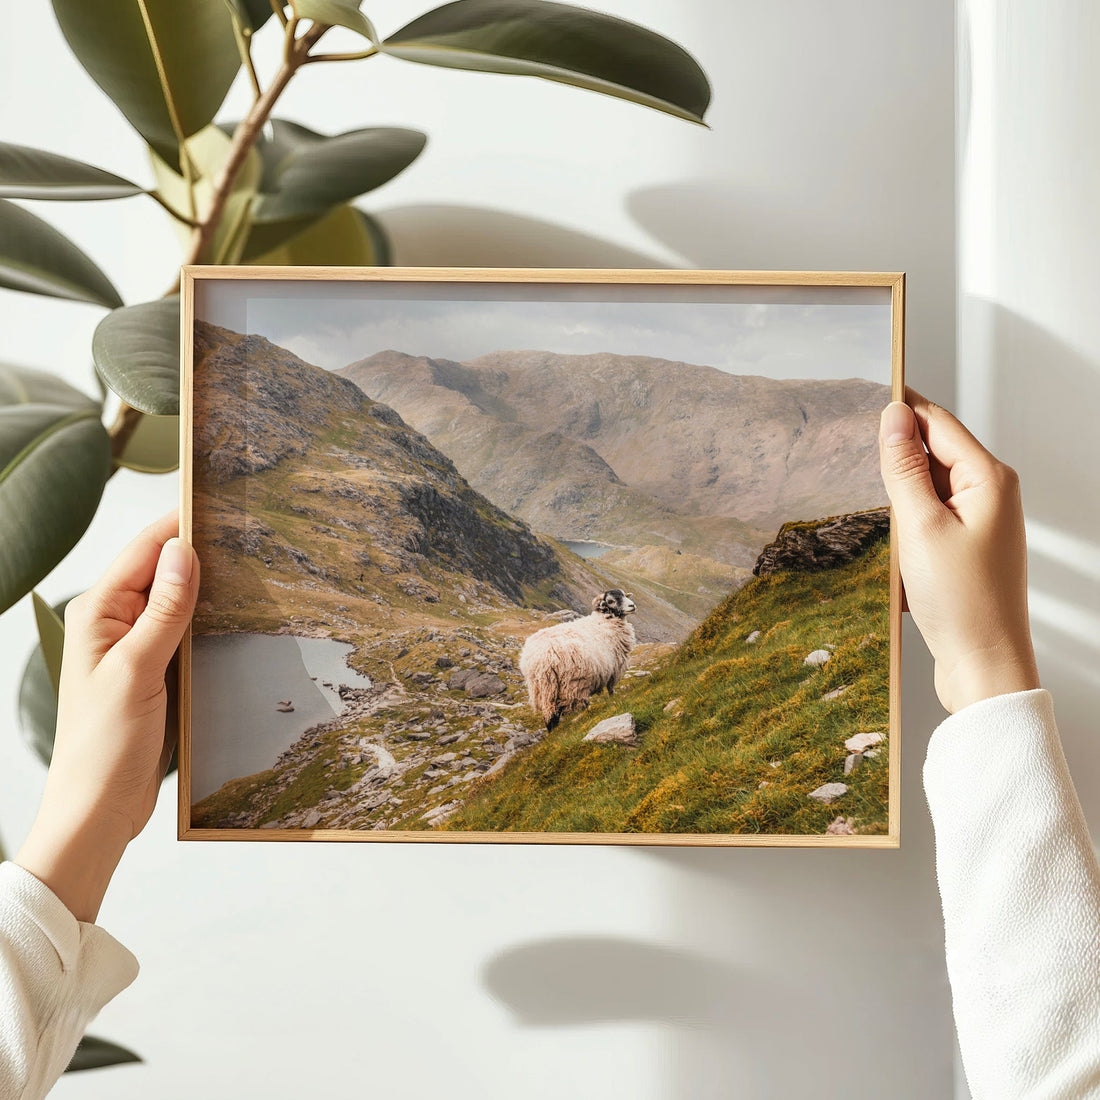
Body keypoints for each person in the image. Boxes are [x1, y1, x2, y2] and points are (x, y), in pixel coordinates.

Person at [0, 390, 1097, 1098]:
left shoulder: (599, 629)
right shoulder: (599, 635)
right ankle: (554, 732)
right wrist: (988, 668)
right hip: (573, 657)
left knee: (558, 692)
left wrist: (74, 834)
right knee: (562, 688)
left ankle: (553, 735)